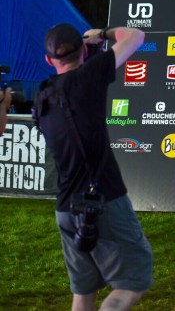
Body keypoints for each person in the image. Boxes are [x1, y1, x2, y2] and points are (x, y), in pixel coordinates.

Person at [35, 24, 153, 311]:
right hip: (103, 200)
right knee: (132, 283)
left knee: (84, 291)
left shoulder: (43, 96)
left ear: (49, 60)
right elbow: (135, 36)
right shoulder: (89, 76)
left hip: (66, 208)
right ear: (84, 51)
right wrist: (101, 35)